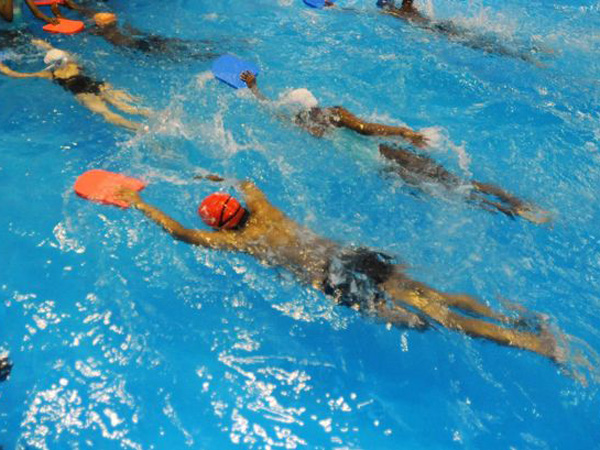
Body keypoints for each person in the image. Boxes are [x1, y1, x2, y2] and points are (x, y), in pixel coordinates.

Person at [115, 176, 564, 363]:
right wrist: (219, 180)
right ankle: (511, 320)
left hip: (334, 276)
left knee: (430, 316)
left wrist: (138, 202)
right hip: (352, 254)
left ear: (219, 226)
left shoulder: (239, 241)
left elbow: (179, 233)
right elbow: (249, 183)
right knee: (435, 294)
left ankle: (535, 345)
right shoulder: (265, 211)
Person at [240, 71, 428, 147]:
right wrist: (401, 132)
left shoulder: (303, 123)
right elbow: (364, 128)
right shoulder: (333, 114)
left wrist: (254, 89)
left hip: (366, 159)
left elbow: (273, 111)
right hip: (377, 151)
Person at [0, 38, 151, 131]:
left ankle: (138, 128)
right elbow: (57, 52)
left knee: (108, 114)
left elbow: (18, 75)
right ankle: (156, 115)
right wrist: (44, 45)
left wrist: (3, 68)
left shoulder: (48, 74)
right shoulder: (73, 63)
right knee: (129, 107)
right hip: (98, 85)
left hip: (83, 94)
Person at [379, 144, 551, 223]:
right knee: (460, 182)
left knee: (453, 191)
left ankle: (506, 210)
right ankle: (515, 202)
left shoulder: (370, 146)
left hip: (395, 161)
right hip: (408, 155)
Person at [374, 0, 545, 65]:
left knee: (482, 45)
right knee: (481, 39)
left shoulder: (395, 13)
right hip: (442, 25)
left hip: (438, 30)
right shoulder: (408, 8)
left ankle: (526, 57)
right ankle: (533, 50)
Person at [82, 12, 217, 61]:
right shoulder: (121, 24)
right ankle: (213, 52)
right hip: (146, 38)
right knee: (184, 46)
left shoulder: (100, 31)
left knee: (179, 55)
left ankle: (210, 55)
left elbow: (85, 30)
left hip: (137, 46)